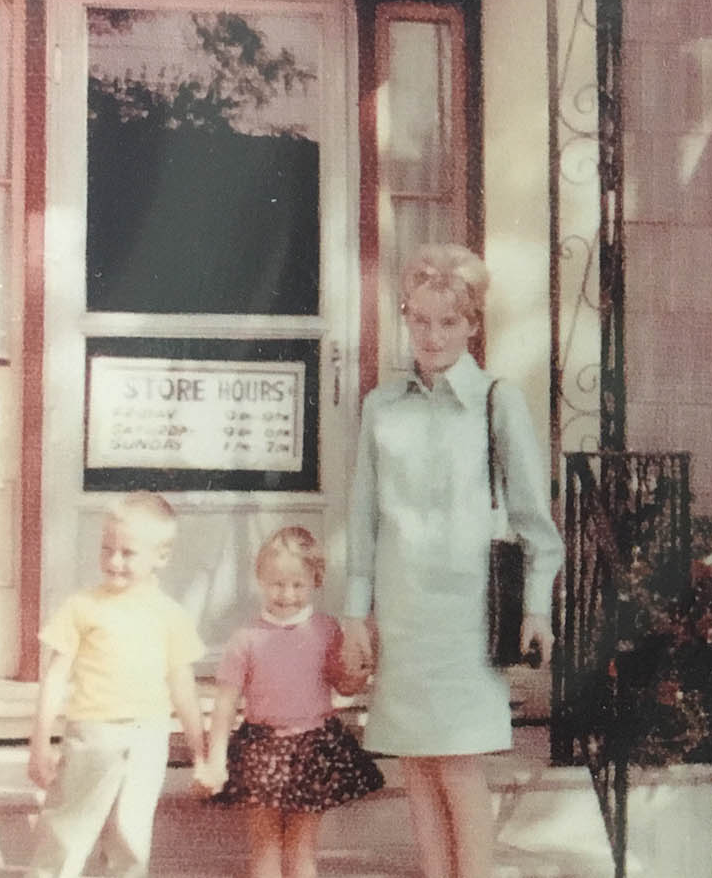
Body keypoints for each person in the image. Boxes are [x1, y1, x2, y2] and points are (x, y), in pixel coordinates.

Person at [342, 242, 564, 878]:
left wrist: (537, 609)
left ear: (472, 324)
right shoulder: (381, 406)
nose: (432, 336)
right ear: (405, 317)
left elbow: (533, 522)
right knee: (415, 763)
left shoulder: (499, 401)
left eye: (448, 322)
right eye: (420, 319)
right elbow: (363, 516)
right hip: (404, 610)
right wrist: (358, 613)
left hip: (468, 614)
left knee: (459, 763)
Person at [26, 491, 207, 878]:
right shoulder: (82, 607)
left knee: (131, 838)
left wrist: (200, 750)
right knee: (66, 832)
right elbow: (55, 677)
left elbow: (184, 688)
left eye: (127, 553)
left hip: (148, 738)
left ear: (161, 556)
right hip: (91, 736)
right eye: (106, 549)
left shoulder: (170, 616)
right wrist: (40, 741)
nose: (113, 561)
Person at [197, 525, 385, 878]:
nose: (287, 594)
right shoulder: (246, 639)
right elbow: (223, 707)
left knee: (302, 846)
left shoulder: (327, 630)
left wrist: (359, 673)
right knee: (265, 845)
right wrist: (216, 760)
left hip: (313, 748)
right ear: (260, 579)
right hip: (262, 748)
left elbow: (344, 686)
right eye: (277, 584)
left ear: (316, 580)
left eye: (298, 584)